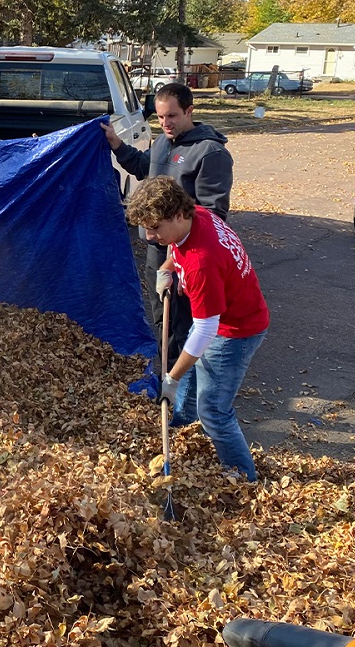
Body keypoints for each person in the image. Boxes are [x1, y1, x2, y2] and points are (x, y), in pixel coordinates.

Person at [126, 176, 269, 481]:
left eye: (155, 228)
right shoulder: (199, 215)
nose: (150, 236)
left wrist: (170, 379)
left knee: (214, 411)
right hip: (221, 318)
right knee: (191, 374)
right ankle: (180, 428)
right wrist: (167, 270)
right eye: (147, 228)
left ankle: (243, 478)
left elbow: (206, 330)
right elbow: (178, 249)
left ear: (178, 215)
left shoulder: (202, 262)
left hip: (235, 330)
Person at [101, 83, 234, 378]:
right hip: (156, 249)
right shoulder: (162, 142)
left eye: (172, 116)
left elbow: (213, 215)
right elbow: (143, 168)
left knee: (183, 322)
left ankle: (179, 385)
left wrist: (176, 260)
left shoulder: (210, 153)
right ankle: (166, 373)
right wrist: (116, 144)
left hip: (185, 257)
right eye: (160, 118)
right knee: (162, 315)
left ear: (189, 111)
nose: (166, 123)